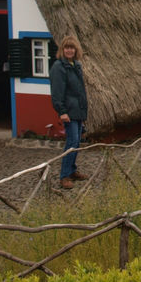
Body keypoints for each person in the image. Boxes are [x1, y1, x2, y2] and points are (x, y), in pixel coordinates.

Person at [49, 35, 89, 190]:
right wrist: (62, 111)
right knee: (71, 142)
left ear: (76, 50)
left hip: (78, 110)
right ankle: (64, 176)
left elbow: (80, 90)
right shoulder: (59, 68)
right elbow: (57, 93)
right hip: (69, 111)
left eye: (72, 48)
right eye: (67, 48)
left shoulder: (76, 65)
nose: (69, 50)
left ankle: (72, 170)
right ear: (62, 49)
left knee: (76, 142)